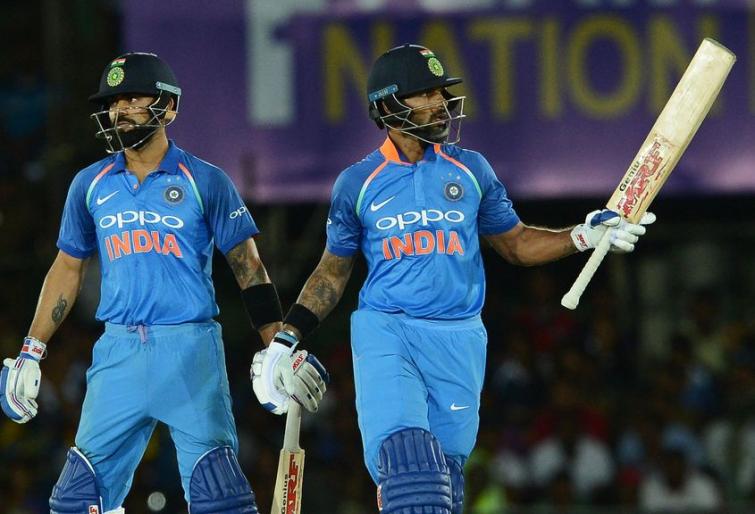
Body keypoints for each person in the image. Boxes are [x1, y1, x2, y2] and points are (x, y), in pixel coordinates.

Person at [250, 44, 654, 513]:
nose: (440, 102)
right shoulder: (358, 183)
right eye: (425, 94)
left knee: (444, 485)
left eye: (441, 92)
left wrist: (583, 236)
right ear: (387, 105)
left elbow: (517, 244)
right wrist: (285, 339)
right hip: (389, 332)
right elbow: (332, 272)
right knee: (410, 470)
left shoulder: (472, 169)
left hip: (461, 339)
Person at [0, 52, 328, 514]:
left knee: (219, 499)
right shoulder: (90, 185)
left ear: (168, 107)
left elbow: (249, 268)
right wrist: (32, 349)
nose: (121, 109)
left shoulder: (205, 180)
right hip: (117, 354)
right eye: (114, 102)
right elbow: (67, 268)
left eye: (133, 98)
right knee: (76, 502)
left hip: (189, 351)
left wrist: (277, 348)